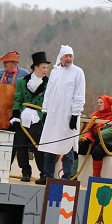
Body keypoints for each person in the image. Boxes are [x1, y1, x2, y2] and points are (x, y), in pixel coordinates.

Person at [38, 45, 85, 182]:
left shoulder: (78, 72)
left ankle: (66, 176)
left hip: (68, 115)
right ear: (61, 57)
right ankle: (47, 175)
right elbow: (48, 93)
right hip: (53, 115)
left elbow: (79, 95)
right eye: (67, 56)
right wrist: (45, 110)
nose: (69, 58)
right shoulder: (55, 72)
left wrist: (75, 114)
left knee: (67, 146)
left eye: (71, 56)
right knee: (50, 143)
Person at [9, 51, 49, 182]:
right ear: (36, 67)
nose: (45, 70)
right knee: (21, 146)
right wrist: (15, 116)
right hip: (23, 117)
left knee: (39, 147)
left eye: (46, 68)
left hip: (38, 118)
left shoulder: (48, 84)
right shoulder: (22, 81)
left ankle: (44, 173)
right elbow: (18, 99)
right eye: (43, 67)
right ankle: (25, 172)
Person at [79, 94, 112, 177]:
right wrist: (88, 138)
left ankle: (96, 177)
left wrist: (99, 136)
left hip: (109, 143)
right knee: (78, 148)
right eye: (98, 103)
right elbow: (88, 128)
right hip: (94, 141)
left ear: (107, 104)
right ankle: (72, 176)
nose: (99, 104)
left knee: (97, 151)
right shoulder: (94, 115)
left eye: (101, 102)